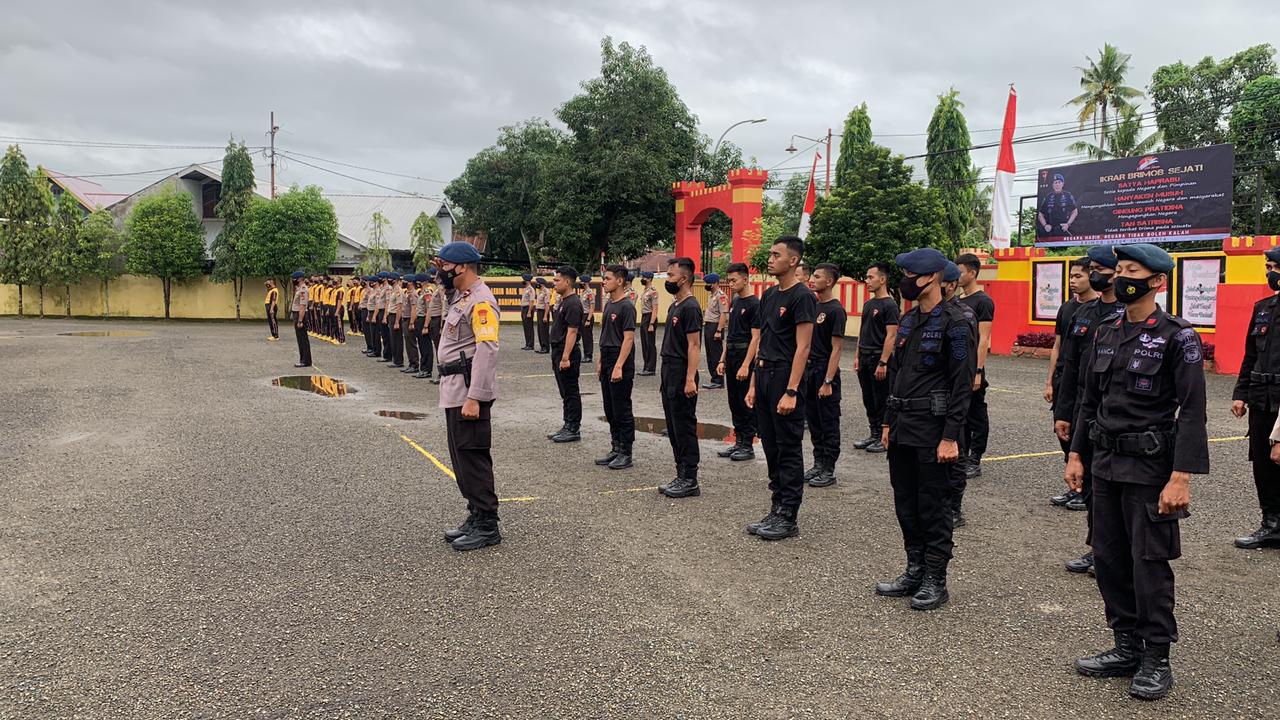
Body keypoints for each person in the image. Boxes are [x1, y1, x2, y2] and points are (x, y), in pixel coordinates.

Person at [1064, 243, 1207, 701]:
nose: (1120, 276)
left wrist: (1181, 475)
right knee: (1107, 558)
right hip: (1104, 463)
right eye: (1119, 269)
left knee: (1149, 564)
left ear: (1157, 282)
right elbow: (1090, 400)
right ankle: (1125, 645)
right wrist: (1076, 455)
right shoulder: (1106, 330)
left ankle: (1156, 657)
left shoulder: (1177, 335)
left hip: (1149, 468)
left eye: (1131, 270)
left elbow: (1193, 410)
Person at [875, 247, 972, 611]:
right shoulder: (910, 320)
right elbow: (897, 375)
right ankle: (914, 569)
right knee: (907, 503)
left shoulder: (957, 321)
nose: (905, 282)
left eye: (910, 275)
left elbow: (962, 384)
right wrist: (887, 421)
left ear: (930, 277)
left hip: (934, 430)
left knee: (934, 506)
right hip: (902, 425)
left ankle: (935, 578)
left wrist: (950, 436)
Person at [744, 236, 817, 541]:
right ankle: (777, 507)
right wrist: (752, 384)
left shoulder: (803, 297)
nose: (770, 259)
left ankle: (789, 514)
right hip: (763, 375)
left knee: (788, 447)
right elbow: (762, 341)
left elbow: (803, 348)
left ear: (794, 261)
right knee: (771, 446)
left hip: (785, 377)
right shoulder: (770, 295)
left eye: (776, 255)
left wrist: (791, 391)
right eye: (770, 254)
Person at [1055, 246, 1122, 574]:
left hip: (1117, 413)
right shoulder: (1082, 314)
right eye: (1090, 268)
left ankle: (1117, 554)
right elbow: (1070, 367)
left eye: (1099, 268)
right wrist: (1063, 413)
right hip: (1085, 408)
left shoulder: (1127, 313)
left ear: (1115, 273)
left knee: (1115, 489)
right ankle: (1098, 549)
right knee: (1094, 488)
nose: (1094, 274)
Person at [433, 241, 503, 551]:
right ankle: (475, 513)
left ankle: (487, 524)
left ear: (462, 267)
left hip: (468, 391)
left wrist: (475, 396)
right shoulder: (462, 297)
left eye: (446, 267)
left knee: (472, 456)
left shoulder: (481, 302)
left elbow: (487, 350)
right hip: (455, 389)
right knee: (460, 456)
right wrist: (441, 277)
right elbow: (450, 300)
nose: (443, 272)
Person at [1231, 245, 1280, 549]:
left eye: (1273, 267)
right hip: (1262, 399)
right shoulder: (1263, 307)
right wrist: (1240, 394)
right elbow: (1250, 355)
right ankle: (1272, 524)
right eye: (1268, 267)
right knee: (1263, 463)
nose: (1269, 272)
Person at [1047, 258, 1098, 511]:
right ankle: (1074, 486)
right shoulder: (1068, 309)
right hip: (1064, 380)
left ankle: (1085, 490)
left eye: (1079, 276)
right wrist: (1050, 382)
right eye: (1071, 276)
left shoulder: (1102, 311)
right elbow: (1058, 346)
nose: (1073, 281)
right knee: (1064, 433)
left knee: (1083, 437)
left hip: (1086, 385)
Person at [656, 257, 703, 499]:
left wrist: (690, 378)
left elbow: (694, 346)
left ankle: (690, 479)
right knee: (674, 427)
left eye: (671, 276)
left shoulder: (691, 307)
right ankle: (680, 473)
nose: (668, 280)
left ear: (684, 278)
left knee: (684, 426)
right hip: (669, 370)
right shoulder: (676, 305)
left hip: (682, 370)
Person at [803, 263, 847, 487]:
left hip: (824, 370)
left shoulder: (835, 310)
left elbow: (837, 349)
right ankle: (818, 462)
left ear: (829, 281)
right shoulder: (813, 306)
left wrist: (828, 381)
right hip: (809, 370)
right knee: (813, 420)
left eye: (817, 276)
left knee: (828, 421)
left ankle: (829, 468)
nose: (812, 279)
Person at [941, 262, 978, 528]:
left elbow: (962, 373)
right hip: (925, 404)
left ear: (951, 285)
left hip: (952, 399)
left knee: (955, 454)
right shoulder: (919, 316)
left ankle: (954, 507)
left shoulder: (961, 316)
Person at [595, 264, 637, 470]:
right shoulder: (609, 304)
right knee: (609, 407)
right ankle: (616, 447)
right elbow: (605, 336)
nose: (605, 281)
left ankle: (626, 452)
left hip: (621, 359)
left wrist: (619, 365)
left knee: (622, 407)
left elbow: (628, 339)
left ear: (620, 281)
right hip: (608, 357)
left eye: (608, 278)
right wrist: (601, 360)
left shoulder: (627, 306)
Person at [957, 253, 995, 479]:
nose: (957, 276)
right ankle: (961, 454)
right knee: (959, 413)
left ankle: (975, 458)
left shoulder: (983, 301)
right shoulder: (959, 300)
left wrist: (978, 371)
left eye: (960, 271)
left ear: (972, 273)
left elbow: (983, 340)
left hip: (973, 368)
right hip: (958, 368)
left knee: (976, 414)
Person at [854, 263, 898, 454]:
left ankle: (883, 435)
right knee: (868, 398)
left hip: (878, 357)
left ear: (883, 279)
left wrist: (883, 361)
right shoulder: (868, 304)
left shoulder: (890, 305)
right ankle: (873, 432)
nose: (867, 281)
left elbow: (891, 335)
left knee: (882, 398)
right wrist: (857, 355)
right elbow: (862, 332)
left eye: (871, 277)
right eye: (867, 277)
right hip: (864, 356)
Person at [717, 263, 759, 462]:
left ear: (745, 279)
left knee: (744, 402)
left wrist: (746, 364)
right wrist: (722, 359)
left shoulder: (754, 304)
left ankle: (747, 444)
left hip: (744, 356)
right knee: (733, 401)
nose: (731, 284)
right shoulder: (735, 301)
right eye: (729, 280)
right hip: (732, 354)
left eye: (734, 280)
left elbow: (756, 337)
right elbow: (731, 334)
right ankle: (738, 440)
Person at [548, 266, 585, 443]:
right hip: (558, 350)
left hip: (566, 352)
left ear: (568, 282)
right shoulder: (564, 301)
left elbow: (572, 332)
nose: (554, 283)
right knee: (565, 391)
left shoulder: (573, 303)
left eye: (557, 280)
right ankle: (567, 424)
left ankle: (573, 428)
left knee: (571, 391)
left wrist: (565, 357)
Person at [701, 273, 729, 389]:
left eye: (709, 283)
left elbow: (723, 314)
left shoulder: (721, 296)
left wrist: (719, 330)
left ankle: (719, 379)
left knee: (716, 354)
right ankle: (714, 378)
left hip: (715, 326)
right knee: (710, 353)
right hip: (708, 325)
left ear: (716, 283)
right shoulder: (712, 295)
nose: (707, 285)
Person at [289, 272, 312, 368]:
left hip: (300, 315)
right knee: (300, 339)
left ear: (299, 279)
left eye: (294, 279)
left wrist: (300, 320)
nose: (293, 281)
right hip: (297, 314)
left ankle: (305, 361)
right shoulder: (299, 289)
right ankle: (303, 359)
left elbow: (302, 306)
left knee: (303, 339)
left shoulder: (303, 290)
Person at [413, 275, 434, 379]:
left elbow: (429, 310)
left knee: (426, 346)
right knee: (421, 345)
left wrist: (426, 325)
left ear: (424, 282)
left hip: (424, 320)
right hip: (419, 319)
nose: (418, 283)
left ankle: (427, 370)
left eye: (419, 281)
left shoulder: (427, 293)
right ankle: (423, 368)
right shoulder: (421, 292)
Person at [638, 271, 659, 375]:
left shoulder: (653, 291)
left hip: (650, 317)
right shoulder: (645, 290)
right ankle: (646, 366)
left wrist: (651, 323)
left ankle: (651, 368)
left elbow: (655, 308)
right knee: (644, 343)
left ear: (650, 279)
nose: (643, 279)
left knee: (650, 343)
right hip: (644, 317)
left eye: (644, 277)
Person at [427, 268, 445, 382]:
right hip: (434, 319)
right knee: (437, 347)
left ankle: (442, 374)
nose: (433, 279)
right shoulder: (436, 289)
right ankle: (440, 373)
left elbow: (444, 305)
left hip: (438, 319)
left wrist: (442, 325)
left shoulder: (441, 289)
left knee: (440, 348)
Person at [401, 274, 421, 374]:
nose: (403, 282)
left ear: (410, 282)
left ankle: (414, 364)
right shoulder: (407, 293)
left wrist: (412, 322)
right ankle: (411, 363)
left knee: (411, 343)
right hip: (405, 318)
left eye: (405, 281)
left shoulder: (413, 294)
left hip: (409, 319)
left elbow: (414, 308)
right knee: (408, 343)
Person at [579, 274, 596, 363]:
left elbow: (592, 307)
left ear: (585, 283)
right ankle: (585, 354)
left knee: (587, 337)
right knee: (584, 337)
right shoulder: (584, 292)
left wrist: (588, 319)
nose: (580, 283)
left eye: (581, 282)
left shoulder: (590, 293)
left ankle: (588, 355)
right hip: (583, 315)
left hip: (587, 316)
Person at [535, 278, 552, 354]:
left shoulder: (546, 291)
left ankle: (546, 347)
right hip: (539, 311)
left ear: (541, 284)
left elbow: (547, 304)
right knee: (540, 330)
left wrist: (545, 315)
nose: (536, 284)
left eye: (537, 283)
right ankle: (542, 346)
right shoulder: (540, 291)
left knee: (544, 330)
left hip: (543, 312)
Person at [520, 274, 536, 351]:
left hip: (528, 309)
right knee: (525, 327)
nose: (522, 281)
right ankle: (527, 343)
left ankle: (530, 344)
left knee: (529, 327)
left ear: (527, 280)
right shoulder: (526, 289)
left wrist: (529, 311)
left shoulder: (531, 289)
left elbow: (531, 301)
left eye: (523, 279)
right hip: (524, 308)